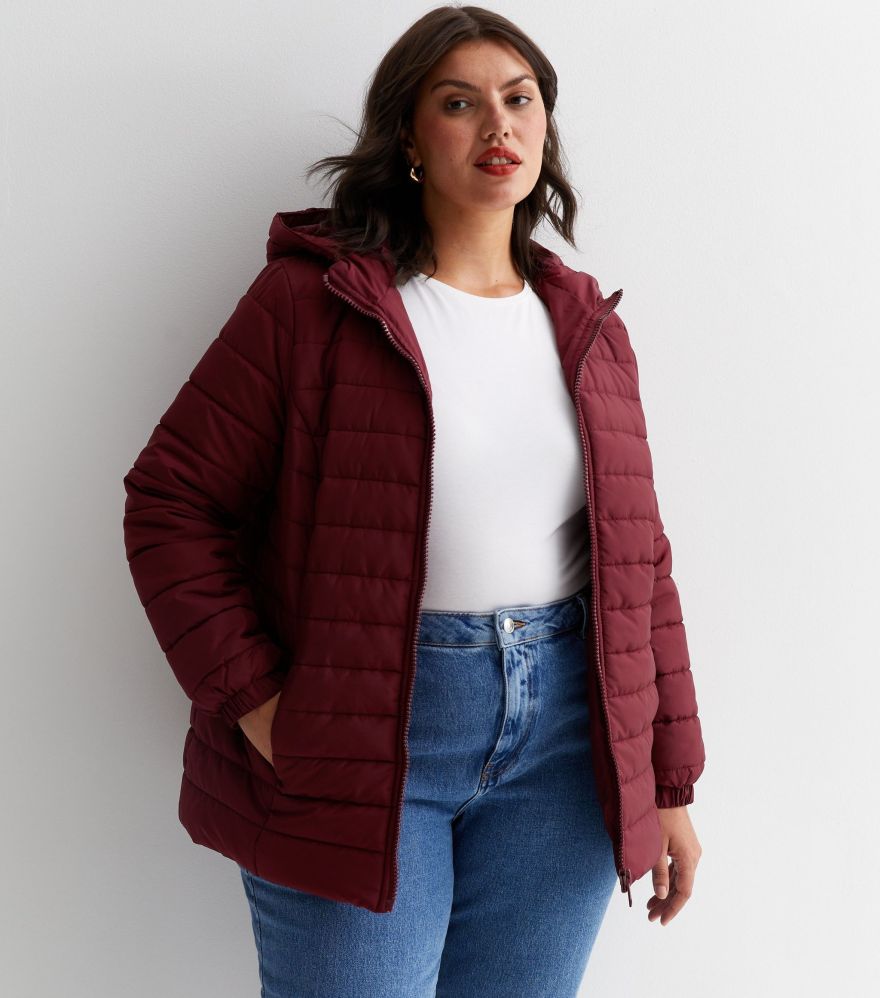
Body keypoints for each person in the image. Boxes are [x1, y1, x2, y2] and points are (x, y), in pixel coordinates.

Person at [122, 5, 706, 996]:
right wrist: (261, 705)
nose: (499, 124)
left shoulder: (587, 328)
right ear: (408, 136)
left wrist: (668, 780)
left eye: (520, 99)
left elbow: (639, 562)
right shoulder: (313, 305)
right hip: (366, 736)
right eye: (459, 103)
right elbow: (169, 504)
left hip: (567, 746)